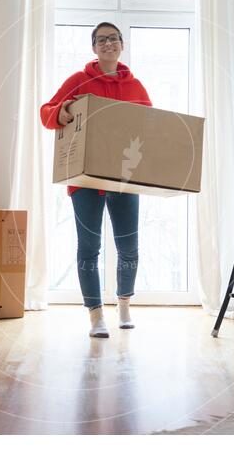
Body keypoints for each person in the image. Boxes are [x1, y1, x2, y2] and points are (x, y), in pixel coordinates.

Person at [40, 22, 152, 338]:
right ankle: (95, 315)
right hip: (85, 179)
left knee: (128, 246)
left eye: (113, 38)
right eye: (101, 40)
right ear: (93, 47)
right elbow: (46, 113)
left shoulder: (136, 88)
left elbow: (152, 129)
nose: (107, 44)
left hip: (124, 178)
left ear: (122, 45)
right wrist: (65, 110)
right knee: (89, 246)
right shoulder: (78, 81)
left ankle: (124, 305)